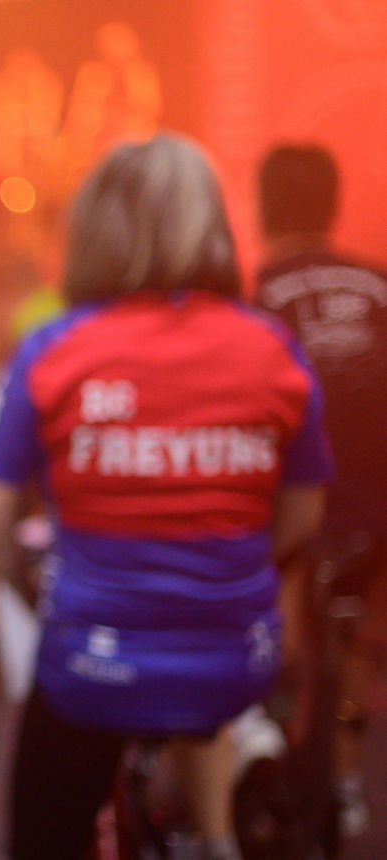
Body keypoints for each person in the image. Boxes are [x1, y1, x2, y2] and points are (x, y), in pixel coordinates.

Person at [0, 133, 331, 860]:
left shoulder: (52, 349)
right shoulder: (273, 348)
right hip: (236, 660)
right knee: (208, 705)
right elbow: (302, 515)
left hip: (94, 666)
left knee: (45, 829)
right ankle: (220, 828)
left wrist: (34, 590)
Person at [254, 142, 387, 837]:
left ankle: (283, 775)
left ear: (261, 209)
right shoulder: (379, 284)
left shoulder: (255, 299)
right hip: (378, 499)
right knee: (361, 641)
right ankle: (344, 780)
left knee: (294, 645)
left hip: (296, 502)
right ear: (334, 205)